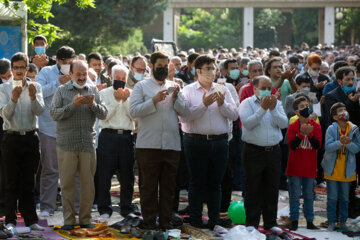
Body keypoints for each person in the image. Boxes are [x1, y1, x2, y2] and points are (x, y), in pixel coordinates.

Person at [129, 51, 189, 230]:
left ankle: (165, 223)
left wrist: (176, 98)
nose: (162, 69)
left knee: (169, 188)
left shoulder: (175, 86)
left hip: (171, 145)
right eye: (159, 66)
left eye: (165, 66)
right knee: (148, 188)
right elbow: (133, 112)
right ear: (152, 66)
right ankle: (148, 223)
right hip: (148, 145)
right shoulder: (141, 87)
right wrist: (153, 101)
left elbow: (185, 113)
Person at [180, 55, 238, 229]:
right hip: (195, 141)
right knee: (196, 183)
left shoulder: (223, 89)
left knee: (215, 184)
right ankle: (196, 220)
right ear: (198, 71)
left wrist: (222, 105)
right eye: (208, 69)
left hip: (219, 142)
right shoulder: (188, 90)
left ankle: (214, 221)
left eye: (214, 68)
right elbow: (184, 117)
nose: (212, 72)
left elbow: (234, 115)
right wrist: (203, 105)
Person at [50, 60, 107, 230]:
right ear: (70, 74)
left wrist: (92, 105)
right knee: (67, 184)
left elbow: (104, 114)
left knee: (88, 185)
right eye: (78, 74)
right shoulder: (61, 90)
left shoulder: (93, 90)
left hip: (87, 144)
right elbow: (54, 114)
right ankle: (68, 220)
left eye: (84, 74)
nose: (82, 77)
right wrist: (72, 105)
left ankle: (85, 218)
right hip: (66, 144)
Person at [0, 52, 45, 231]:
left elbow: (40, 111)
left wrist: (33, 97)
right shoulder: (3, 89)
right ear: (11, 69)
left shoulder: (36, 86)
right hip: (11, 136)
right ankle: (10, 220)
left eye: (22, 68)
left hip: (30, 137)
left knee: (29, 181)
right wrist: (14, 98)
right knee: (11, 181)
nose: (19, 71)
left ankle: (31, 220)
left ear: (27, 69)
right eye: (16, 68)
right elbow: (5, 114)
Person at [238, 75, 288, 230]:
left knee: (272, 188)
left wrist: (272, 110)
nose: (267, 91)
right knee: (253, 188)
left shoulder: (277, 103)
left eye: (269, 88)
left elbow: (284, 123)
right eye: (263, 88)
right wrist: (262, 109)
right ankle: (252, 223)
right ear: (254, 89)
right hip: (253, 151)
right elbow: (248, 123)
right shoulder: (246, 103)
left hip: (273, 151)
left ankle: (270, 222)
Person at [36, 46, 76, 217]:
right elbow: (37, 92)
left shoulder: (77, 71)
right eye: (65, 63)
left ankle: (73, 207)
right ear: (58, 61)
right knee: (50, 170)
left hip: (70, 129)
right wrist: (56, 83)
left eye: (71, 62)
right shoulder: (45, 72)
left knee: (72, 171)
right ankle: (46, 207)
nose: (68, 65)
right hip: (48, 128)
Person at [96, 65, 135, 221]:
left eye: (123, 78)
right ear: (111, 78)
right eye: (117, 78)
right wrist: (116, 102)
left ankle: (127, 208)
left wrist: (125, 101)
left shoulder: (132, 93)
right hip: (108, 136)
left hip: (126, 137)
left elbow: (135, 117)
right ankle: (104, 209)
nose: (120, 81)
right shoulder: (103, 93)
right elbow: (103, 117)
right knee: (104, 175)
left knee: (127, 175)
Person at [322, 102, 360, 231]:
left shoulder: (354, 129)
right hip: (332, 170)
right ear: (335, 117)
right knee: (332, 197)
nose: (343, 112)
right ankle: (332, 221)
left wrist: (348, 143)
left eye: (345, 109)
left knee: (345, 198)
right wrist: (340, 142)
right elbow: (328, 146)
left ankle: (343, 222)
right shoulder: (331, 129)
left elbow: (357, 148)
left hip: (347, 171)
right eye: (340, 110)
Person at [286, 96, 321, 231]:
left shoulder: (316, 125)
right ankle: (294, 220)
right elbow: (292, 146)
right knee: (294, 195)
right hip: (295, 167)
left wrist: (310, 135)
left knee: (308, 195)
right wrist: (301, 134)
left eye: (307, 105)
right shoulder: (293, 126)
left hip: (309, 168)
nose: (306, 108)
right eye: (302, 107)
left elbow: (317, 145)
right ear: (296, 112)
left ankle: (310, 221)